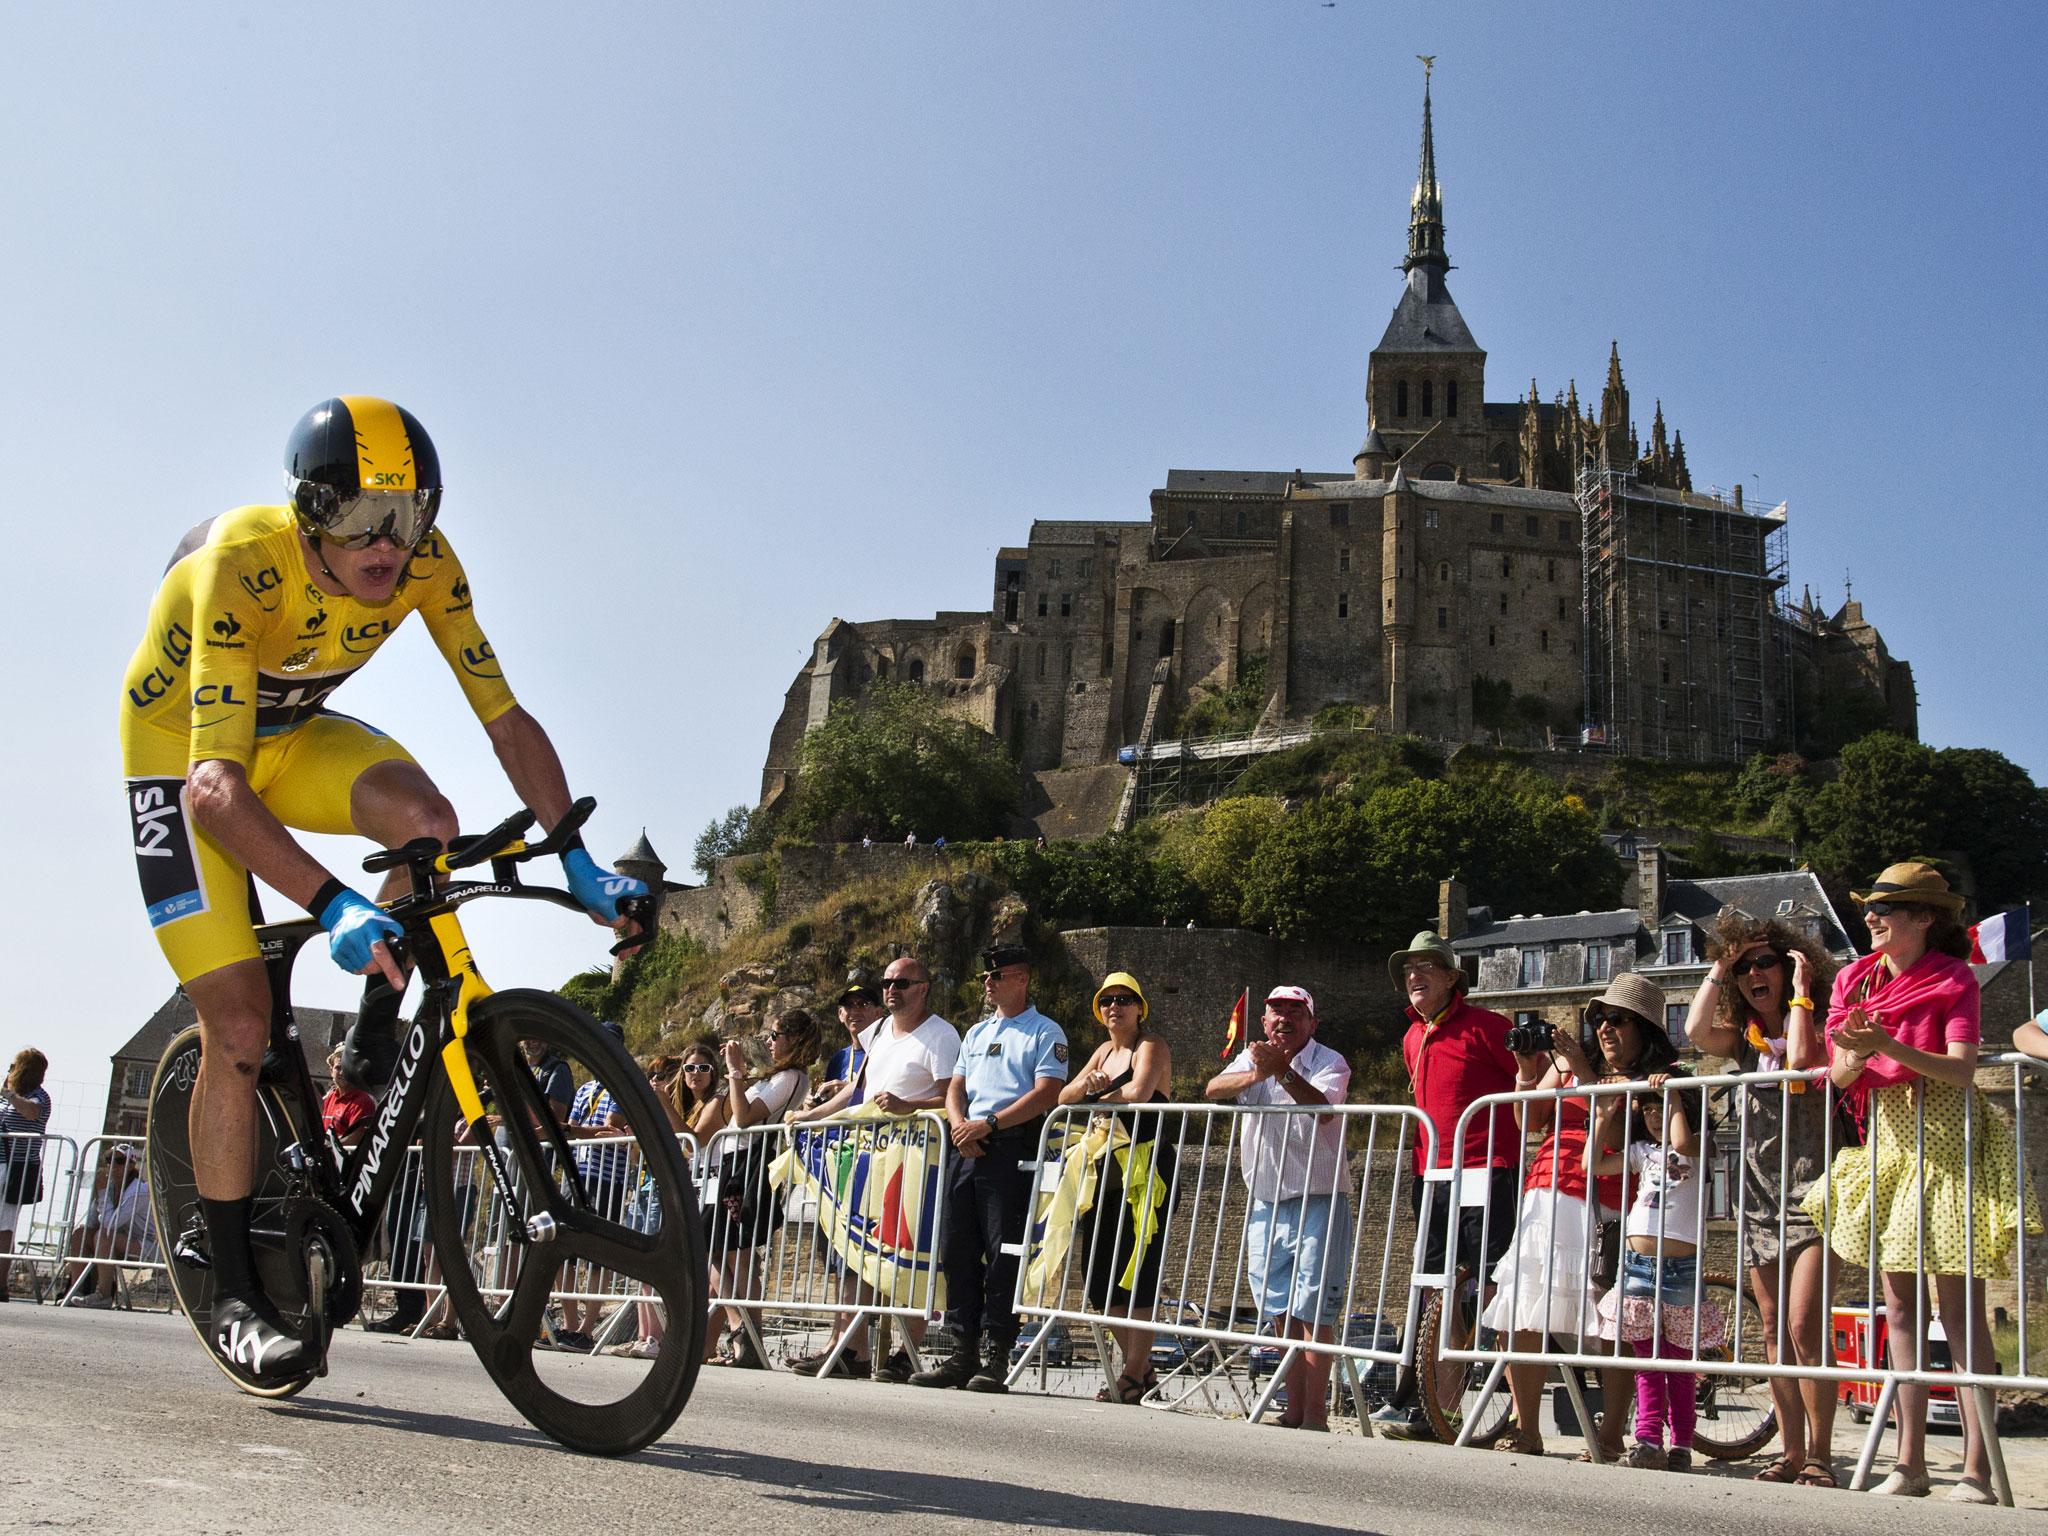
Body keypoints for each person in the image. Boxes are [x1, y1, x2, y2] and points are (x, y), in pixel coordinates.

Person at [119, 398, 648, 1380]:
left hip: (291, 740)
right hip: (183, 765)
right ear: (311, 513)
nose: (388, 547)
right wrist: (332, 904)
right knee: (237, 1029)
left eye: (408, 520)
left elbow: (503, 716)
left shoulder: (428, 566)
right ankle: (236, 1289)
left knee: (429, 824)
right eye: (364, 521)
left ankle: (369, 1038)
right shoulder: (239, 563)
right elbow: (214, 790)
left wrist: (576, 858)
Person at [1801, 862, 2042, 1502]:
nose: (1871, 917)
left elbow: (1960, 1070)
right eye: (1871, 907)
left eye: (1887, 907)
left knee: (1959, 1313)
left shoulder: (1954, 977)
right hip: (1889, 1147)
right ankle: (1909, 1465)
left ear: (1924, 918)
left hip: (1948, 1148)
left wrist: (1883, 1042)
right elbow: (1843, 1075)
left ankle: (1977, 1471)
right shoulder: (1854, 979)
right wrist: (1859, 1050)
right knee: (1900, 1310)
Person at [1480, 972, 1672, 1459]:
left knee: (1607, 1321)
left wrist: (1583, 1071)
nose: (1605, 1027)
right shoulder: (1570, 1066)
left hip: (1603, 1198)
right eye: (1599, 1019)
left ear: (1644, 1029)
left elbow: (1614, 1138)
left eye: (1618, 1020)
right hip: (1543, 1188)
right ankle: (1528, 1430)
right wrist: (1528, 1069)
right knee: (1521, 1307)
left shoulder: (1655, 1079)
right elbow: (1530, 1118)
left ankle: (1608, 1437)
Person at [1684, 907, 1839, 1487]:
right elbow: (1697, 1032)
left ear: (1792, 965)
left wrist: (1801, 994)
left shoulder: (1820, 1023)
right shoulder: (1746, 1043)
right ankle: (1793, 1452)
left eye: (1764, 960)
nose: (1755, 972)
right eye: (1745, 965)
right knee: (1773, 1329)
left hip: (1815, 1193)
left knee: (1804, 1326)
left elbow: (1801, 1061)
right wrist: (1717, 968)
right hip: (1758, 1197)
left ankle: (1821, 1454)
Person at [1372, 932, 1528, 1440]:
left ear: (1451, 978)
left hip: (1489, 1168)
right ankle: (1424, 1402)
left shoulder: (1489, 1027)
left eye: (1425, 967)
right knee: (1431, 1284)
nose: (1414, 977)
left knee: (1478, 1288)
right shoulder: (1412, 1037)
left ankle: (1480, 1404)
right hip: (1432, 1174)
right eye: (1408, 970)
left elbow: (1534, 1078)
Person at [791, 955, 960, 1381]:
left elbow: (953, 1101)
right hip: (873, 1156)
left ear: (923, 988)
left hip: (918, 1160)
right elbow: (857, 1089)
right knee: (859, 1254)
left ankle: (908, 1352)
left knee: (910, 1256)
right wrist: (812, 1118)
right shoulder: (880, 1029)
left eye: (901, 983)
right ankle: (851, 1349)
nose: (891, 990)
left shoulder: (941, 1035)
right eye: (887, 982)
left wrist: (909, 1107)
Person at [913, 944, 1068, 1392]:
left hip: (1009, 1145)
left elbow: (1047, 1092)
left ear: (1022, 978)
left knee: (1003, 1253)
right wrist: (962, 1125)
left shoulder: (1044, 1031)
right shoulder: (977, 1033)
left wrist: (992, 1123)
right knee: (956, 1249)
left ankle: (997, 1351)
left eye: (997, 975)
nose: (988, 982)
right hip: (967, 1145)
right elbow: (955, 1087)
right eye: (987, 976)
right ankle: (961, 1350)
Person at [1205, 986, 1353, 1432]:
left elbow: (1324, 1111)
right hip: (1266, 1202)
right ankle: (1293, 1408)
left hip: (1319, 1198)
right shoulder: (1255, 1057)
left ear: (1312, 1022)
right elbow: (1214, 1088)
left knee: (1314, 1311)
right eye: (1275, 1012)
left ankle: (1315, 1414)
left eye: (1294, 1011)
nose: (1284, 1019)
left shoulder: (1330, 1060)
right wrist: (1257, 1073)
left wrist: (1282, 1072)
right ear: (1264, 1021)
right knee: (1280, 1311)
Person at [1592, 1074, 1724, 1470]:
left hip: (1681, 1267)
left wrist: (1675, 1099)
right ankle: (1648, 1438)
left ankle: (1681, 1441)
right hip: (1638, 1264)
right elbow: (1593, 1164)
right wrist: (1604, 1115)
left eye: (1660, 1107)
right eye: (1648, 1108)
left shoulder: (1701, 1147)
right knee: (1647, 1360)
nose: (1654, 1116)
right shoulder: (1641, 1152)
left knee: (1680, 1363)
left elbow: (1681, 1142)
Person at [1057, 972, 1175, 1406]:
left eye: (1124, 999)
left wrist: (1093, 1096)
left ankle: (1131, 1373)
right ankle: (1141, 1369)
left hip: (1147, 1173)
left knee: (1137, 1274)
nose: (1115, 1007)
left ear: (1139, 1007)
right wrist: (1086, 1088)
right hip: (1105, 1174)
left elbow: (1140, 1091)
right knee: (1098, 1280)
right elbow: (1063, 1097)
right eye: (1107, 1001)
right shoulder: (1103, 1051)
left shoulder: (1151, 1046)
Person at [708, 1008, 819, 1368]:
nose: (769, 1042)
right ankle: (743, 1335)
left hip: (745, 1166)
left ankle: (744, 1329)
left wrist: (736, 1071)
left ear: (794, 1040)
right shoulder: (783, 1077)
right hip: (736, 1165)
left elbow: (743, 1118)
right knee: (728, 1252)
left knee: (729, 1252)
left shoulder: (790, 1077)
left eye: (776, 1035)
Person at [63, 1143, 157, 1307]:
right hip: (119, 1243)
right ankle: (76, 1290)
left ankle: (104, 1295)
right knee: (81, 1234)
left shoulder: (139, 1191)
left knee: (104, 1235)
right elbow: (93, 1222)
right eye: (109, 1160)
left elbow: (109, 1223)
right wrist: (97, 1196)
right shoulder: (110, 1187)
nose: (113, 1165)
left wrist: (102, 1193)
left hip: (147, 1246)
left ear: (131, 1165)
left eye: (119, 1161)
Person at [1, 1048, 52, 1302]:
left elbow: (31, 1112)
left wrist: (10, 1094)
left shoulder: (37, 1096)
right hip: (2, 1163)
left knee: (4, 1226)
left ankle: (1, 1283)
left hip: (16, 1167)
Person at [807, 971, 885, 1112]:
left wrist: (848, 1090)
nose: (855, 1011)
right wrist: (812, 1106)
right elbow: (829, 1106)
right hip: (840, 1131)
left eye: (862, 1004)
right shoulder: (839, 1058)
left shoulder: (886, 1051)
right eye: (849, 1006)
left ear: (878, 1013)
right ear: (840, 1015)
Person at [321, 1046, 376, 1148]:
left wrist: (326, 1148)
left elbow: (354, 1139)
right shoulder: (329, 1097)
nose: (342, 1072)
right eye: (338, 1067)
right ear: (331, 1071)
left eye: (347, 1067)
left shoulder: (363, 1101)